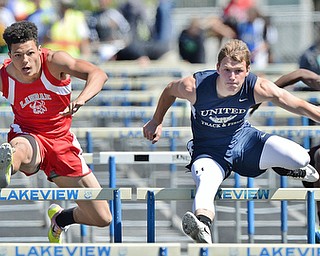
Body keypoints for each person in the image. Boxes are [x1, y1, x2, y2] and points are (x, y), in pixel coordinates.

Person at [142, 39, 320, 243]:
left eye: (238, 71)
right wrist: (156, 120)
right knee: (206, 183)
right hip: (208, 151)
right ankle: (202, 224)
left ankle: (284, 166)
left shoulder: (257, 86)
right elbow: (169, 90)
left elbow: (297, 104)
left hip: (245, 143)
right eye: (227, 70)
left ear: (247, 70)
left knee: (300, 158)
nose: (232, 77)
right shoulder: (195, 86)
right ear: (217, 68)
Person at [0, 21, 111, 243]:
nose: (25, 61)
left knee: (102, 217)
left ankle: (61, 220)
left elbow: (98, 74)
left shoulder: (55, 61)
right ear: (10, 54)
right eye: (18, 55)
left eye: (30, 53)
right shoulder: (4, 75)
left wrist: (82, 98)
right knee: (19, 149)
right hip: (28, 136)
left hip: (61, 141)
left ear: (39, 49)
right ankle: (6, 166)